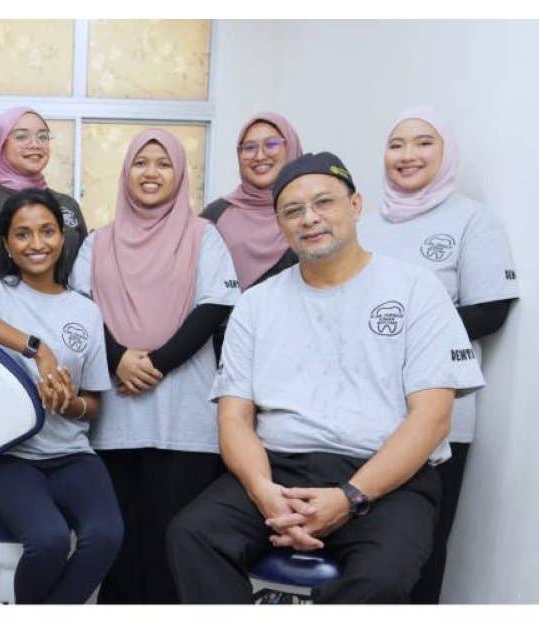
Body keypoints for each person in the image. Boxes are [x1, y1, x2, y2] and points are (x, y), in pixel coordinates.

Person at [166, 152, 486, 604]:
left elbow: (432, 419)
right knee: (192, 535)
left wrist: (350, 497)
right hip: (278, 468)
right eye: (292, 210)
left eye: (323, 202)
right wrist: (263, 492)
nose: (309, 218)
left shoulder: (416, 290)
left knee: (382, 577)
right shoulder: (256, 305)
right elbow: (234, 418)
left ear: (355, 205)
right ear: (280, 224)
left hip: (385, 476)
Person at [68, 129, 240, 603]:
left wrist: (154, 365)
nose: (151, 173)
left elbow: (214, 307)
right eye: (141, 162)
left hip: (185, 420)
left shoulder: (205, 236)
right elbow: (80, 312)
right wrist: (119, 359)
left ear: (179, 174)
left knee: (176, 549)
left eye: (163, 164)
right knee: (120, 549)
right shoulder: (98, 242)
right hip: (116, 421)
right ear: (126, 172)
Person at [360, 106, 519, 603]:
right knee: (359, 547)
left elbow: (490, 311)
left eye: (423, 142)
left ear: (446, 152)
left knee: (420, 549)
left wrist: (402, 338)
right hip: (358, 411)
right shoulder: (362, 224)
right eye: (396, 144)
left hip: (437, 417)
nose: (407, 155)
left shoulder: (472, 219)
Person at [0, 188, 122, 604]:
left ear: (62, 238)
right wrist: (36, 348)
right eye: (22, 234)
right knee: (49, 540)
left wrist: (68, 403)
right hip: (7, 457)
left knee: (107, 535)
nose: (36, 243)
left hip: (71, 454)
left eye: (47, 231)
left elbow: (93, 404)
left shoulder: (85, 310)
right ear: (7, 244)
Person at [0, 107, 87, 292]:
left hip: (63, 308)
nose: (35, 144)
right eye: (22, 136)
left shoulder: (67, 204)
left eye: (43, 136)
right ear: (1, 143)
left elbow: (84, 275)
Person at [201, 112, 303, 290]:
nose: (260, 156)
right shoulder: (216, 216)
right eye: (249, 148)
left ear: (291, 148)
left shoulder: (312, 211)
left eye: (271, 144)